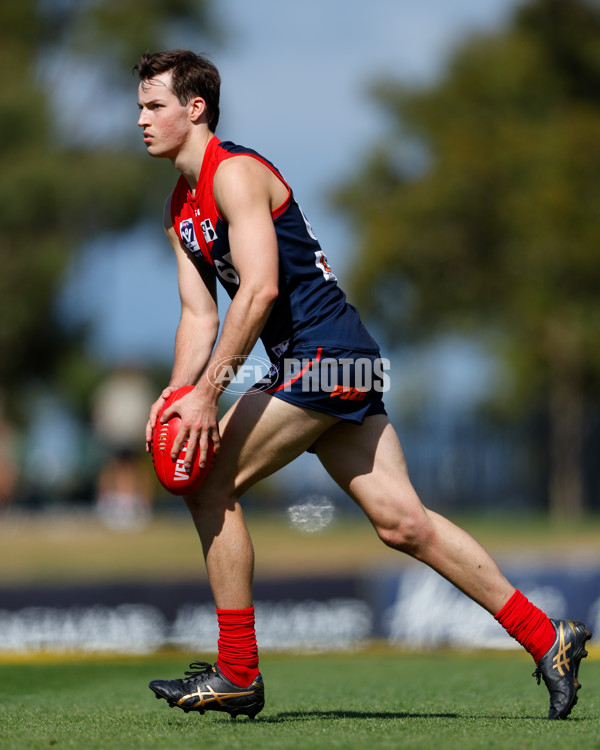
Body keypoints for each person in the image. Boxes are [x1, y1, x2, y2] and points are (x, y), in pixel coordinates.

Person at [135, 49, 590, 721]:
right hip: (334, 363)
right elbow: (199, 316)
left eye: (154, 105)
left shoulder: (234, 175)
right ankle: (549, 639)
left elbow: (257, 292)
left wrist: (208, 395)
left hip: (325, 357)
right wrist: (175, 395)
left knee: (209, 487)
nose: (140, 119)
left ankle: (237, 673)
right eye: (140, 106)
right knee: (406, 525)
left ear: (194, 108)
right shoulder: (181, 208)